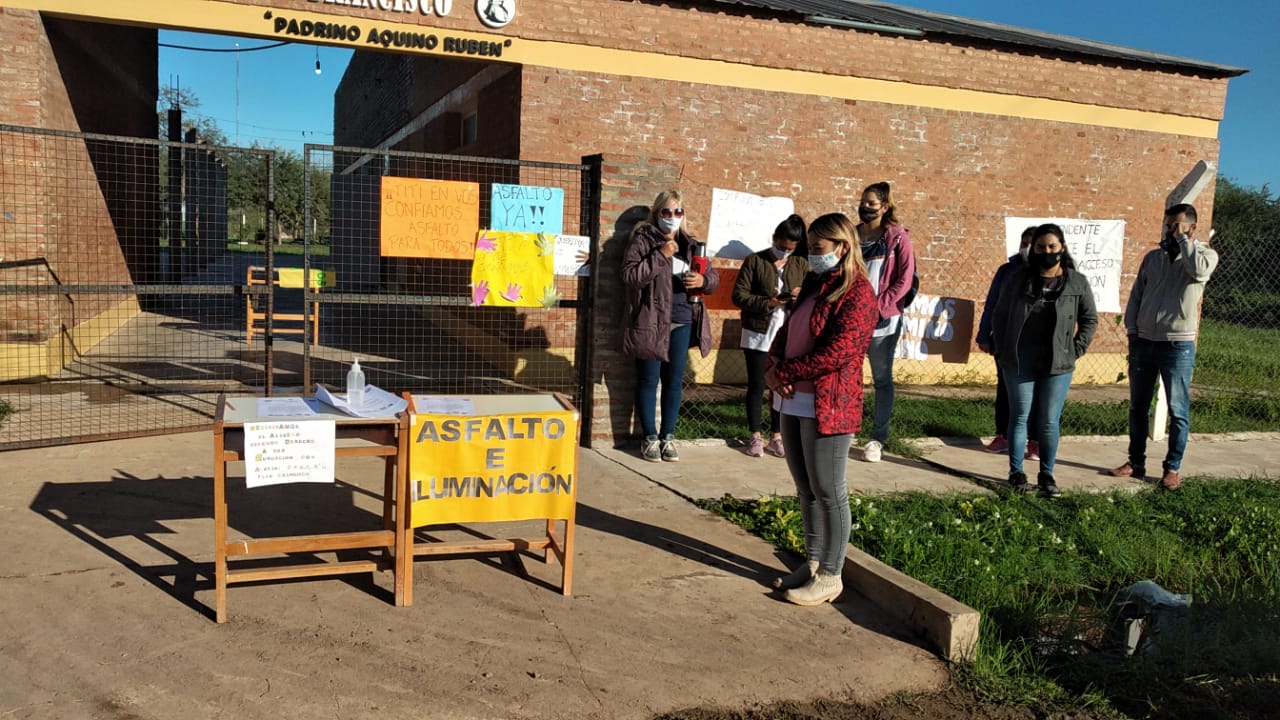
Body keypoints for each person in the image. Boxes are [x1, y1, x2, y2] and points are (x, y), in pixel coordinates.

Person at [764, 213, 878, 606]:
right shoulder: (816, 283)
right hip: (792, 398)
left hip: (828, 403)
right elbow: (787, 330)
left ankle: (831, 574)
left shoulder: (858, 292)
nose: (811, 254)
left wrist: (785, 371)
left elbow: (839, 352)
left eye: (817, 248)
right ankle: (812, 562)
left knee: (829, 490)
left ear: (842, 246)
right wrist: (772, 366)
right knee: (806, 489)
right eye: (809, 247)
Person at [1110, 203, 1219, 491]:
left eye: (1177, 225)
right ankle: (1135, 461)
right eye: (1168, 225)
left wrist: (1184, 242)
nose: (1170, 231)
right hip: (1144, 341)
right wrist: (1133, 330)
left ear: (1191, 227)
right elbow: (1137, 294)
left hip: (1177, 344)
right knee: (1138, 406)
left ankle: (1172, 469)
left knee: (1178, 409)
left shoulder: (1204, 255)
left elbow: (1198, 272)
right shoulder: (1153, 258)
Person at [991, 223, 1098, 497]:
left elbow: (1089, 319)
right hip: (1020, 359)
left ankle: (1047, 475)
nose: (1046, 252)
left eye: (1052, 246)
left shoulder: (1076, 282)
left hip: (1058, 361)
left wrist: (1075, 349)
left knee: (1049, 421)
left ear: (1062, 247)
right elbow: (999, 315)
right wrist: (1003, 349)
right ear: (1033, 250)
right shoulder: (1018, 279)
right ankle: (1016, 473)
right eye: (1040, 247)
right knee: (1019, 416)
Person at [621, 190, 720, 463]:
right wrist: (661, 255)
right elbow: (630, 276)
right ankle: (649, 437)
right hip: (651, 321)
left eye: (678, 212)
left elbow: (712, 277)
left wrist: (703, 282)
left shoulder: (691, 244)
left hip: (683, 319)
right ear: (656, 214)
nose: (673, 217)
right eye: (666, 212)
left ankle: (668, 436)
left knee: (674, 382)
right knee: (648, 380)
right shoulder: (643, 240)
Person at [732, 214, 810, 458]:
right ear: (774, 238)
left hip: (787, 333)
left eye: (789, 248)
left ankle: (776, 435)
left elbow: (811, 298)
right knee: (757, 384)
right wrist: (769, 302)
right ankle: (755, 435)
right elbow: (739, 295)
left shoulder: (800, 264)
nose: (783, 252)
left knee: (780, 385)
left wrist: (799, 295)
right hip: (757, 332)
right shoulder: (755, 261)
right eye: (781, 246)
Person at [855, 182, 916, 463]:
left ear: (885, 206)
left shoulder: (897, 238)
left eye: (871, 203)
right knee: (849, 376)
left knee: (881, 379)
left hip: (883, 321)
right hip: (852, 319)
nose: (865, 207)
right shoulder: (852, 235)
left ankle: (877, 438)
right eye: (863, 202)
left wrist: (878, 307)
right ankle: (845, 428)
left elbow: (905, 279)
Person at [976, 226, 1041, 459]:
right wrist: (984, 334)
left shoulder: (1048, 273)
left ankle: (1035, 441)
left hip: (1035, 343)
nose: (1026, 249)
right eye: (1024, 243)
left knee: (1037, 392)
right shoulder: (1006, 271)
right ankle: (1003, 435)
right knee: (1005, 389)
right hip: (1005, 341)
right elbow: (992, 303)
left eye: (1031, 244)